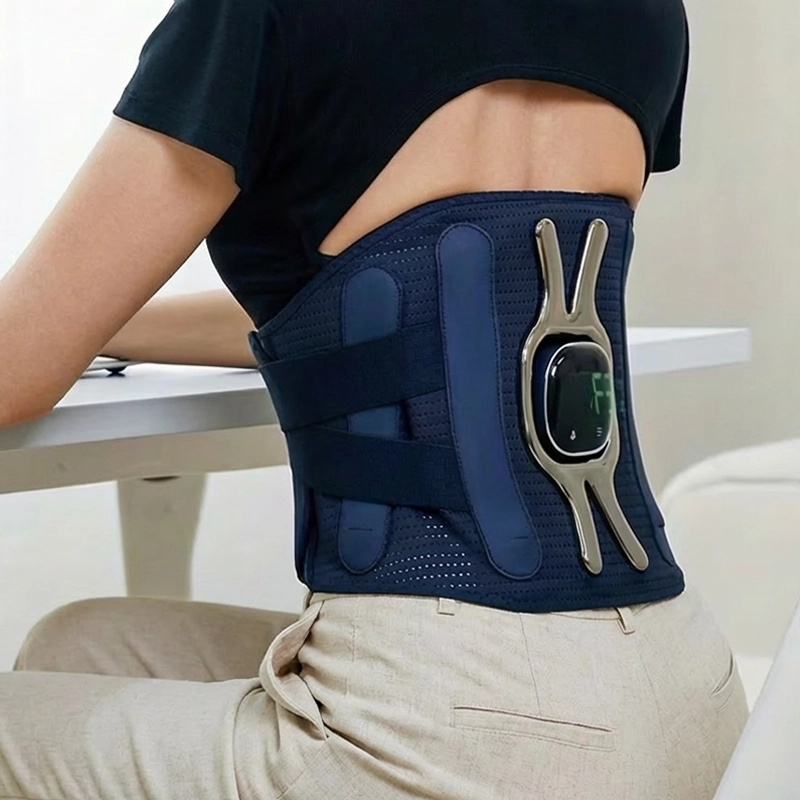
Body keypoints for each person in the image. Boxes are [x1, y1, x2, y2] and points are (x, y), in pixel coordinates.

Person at [0, 0, 748, 798]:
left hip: (452, 724)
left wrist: (48, 331)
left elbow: (16, 375)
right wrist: (101, 323)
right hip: (687, 690)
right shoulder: (647, 14)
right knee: (83, 644)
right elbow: (440, 315)